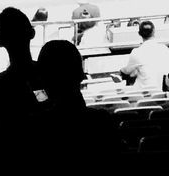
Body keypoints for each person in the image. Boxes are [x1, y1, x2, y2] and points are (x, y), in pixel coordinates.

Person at [31, 39, 119, 168]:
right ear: (81, 75)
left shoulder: (38, 126)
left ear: (43, 79)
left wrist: (38, 91)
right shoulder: (101, 121)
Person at [122, 19, 169, 91]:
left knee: (130, 77)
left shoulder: (136, 52)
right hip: (161, 92)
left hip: (144, 94)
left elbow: (126, 71)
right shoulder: (165, 49)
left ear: (139, 34)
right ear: (154, 32)